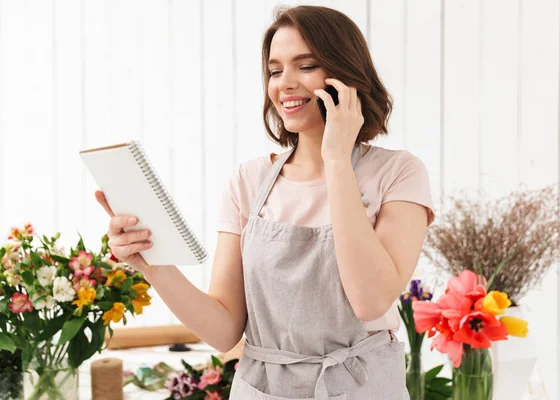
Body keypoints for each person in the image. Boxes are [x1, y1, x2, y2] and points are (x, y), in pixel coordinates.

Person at [96, 5, 435, 399]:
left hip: (362, 387)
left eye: (305, 66)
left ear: (345, 76)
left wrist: (337, 159)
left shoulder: (398, 173)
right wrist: (151, 264)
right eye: (275, 71)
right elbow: (223, 331)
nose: (284, 83)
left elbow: (371, 299)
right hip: (262, 389)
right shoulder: (249, 181)